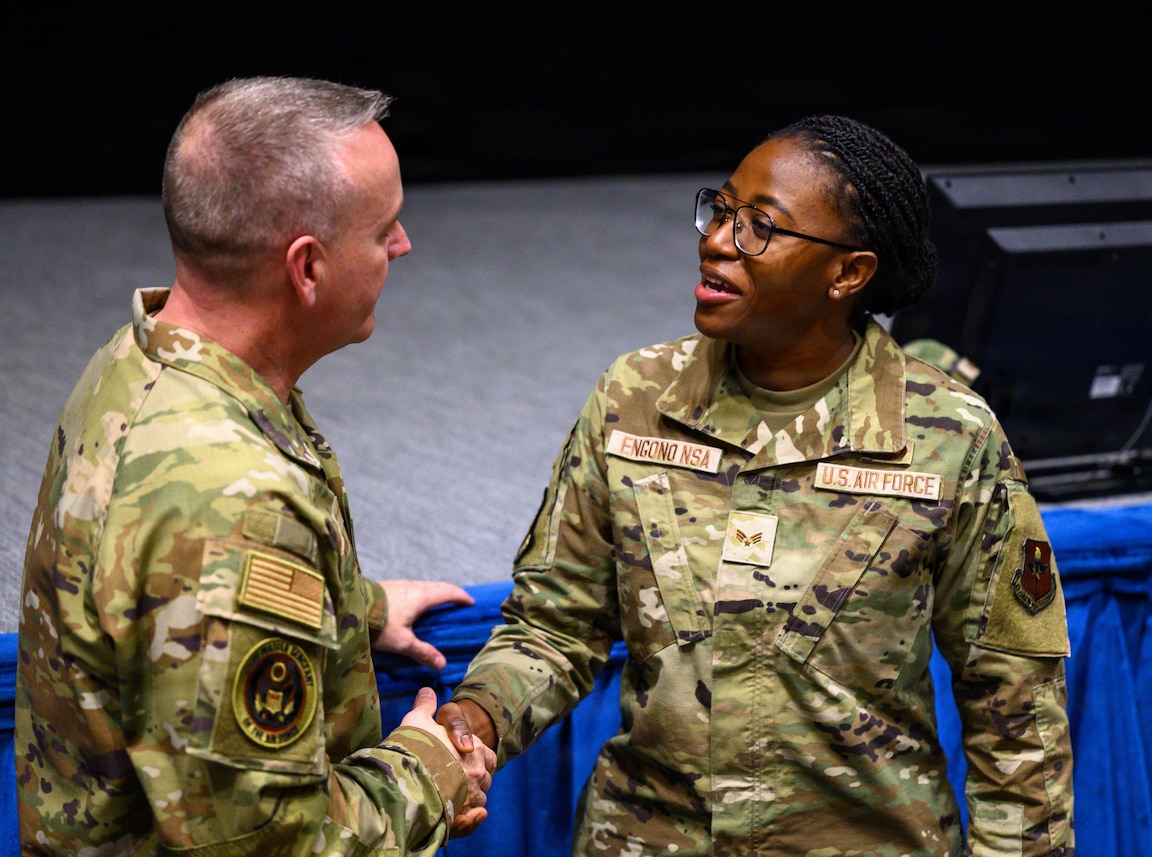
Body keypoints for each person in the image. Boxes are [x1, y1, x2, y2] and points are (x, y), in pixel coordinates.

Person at [437, 115, 1074, 855]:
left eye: (761, 227)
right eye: (723, 210)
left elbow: (1016, 711)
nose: (716, 241)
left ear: (848, 273)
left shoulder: (948, 437)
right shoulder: (634, 397)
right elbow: (554, 625)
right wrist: (475, 720)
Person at [14, 76, 495, 856]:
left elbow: (158, 593)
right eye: (384, 230)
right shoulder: (230, 504)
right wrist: (431, 768)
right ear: (306, 268)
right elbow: (275, 845)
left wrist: (346, 608)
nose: (402, 246)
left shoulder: (138, 361)